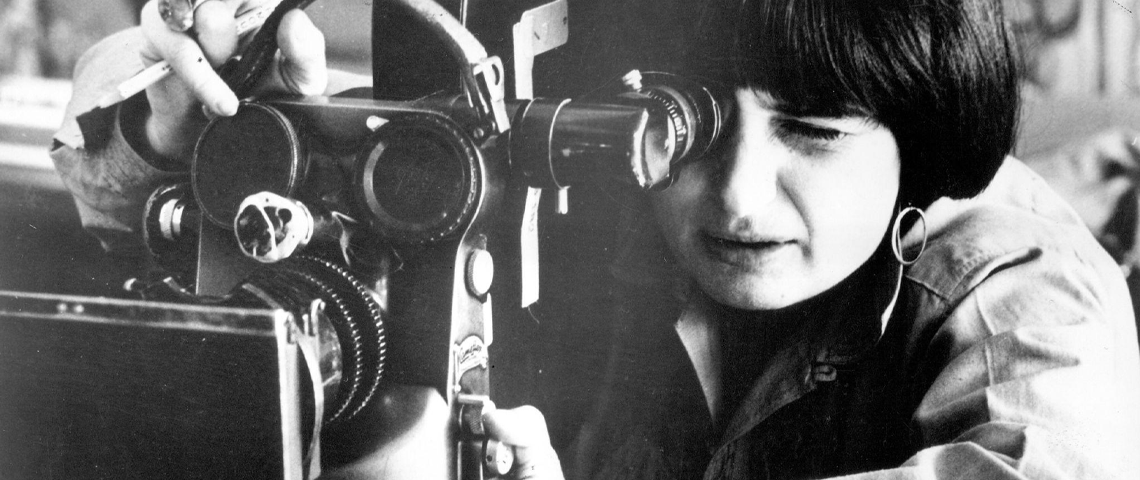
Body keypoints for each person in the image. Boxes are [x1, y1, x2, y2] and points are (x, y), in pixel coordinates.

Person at [49, 1, 1140, 480]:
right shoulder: (611, 162)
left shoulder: (1027, 294)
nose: (736, 196)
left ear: (921, 131)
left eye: (812, 133)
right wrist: (168, 123)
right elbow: (110, 205)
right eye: (687, 123)